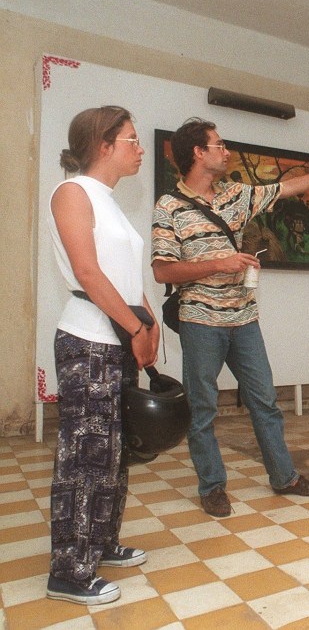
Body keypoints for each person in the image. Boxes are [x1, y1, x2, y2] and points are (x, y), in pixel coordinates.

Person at [151, 117, 309, 517]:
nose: (226, 151)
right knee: (203, 409)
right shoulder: (169, 207)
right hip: (200, 321)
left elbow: (288, 187)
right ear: (198, 153)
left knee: (265, 401)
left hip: (244, 319)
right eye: (218, 145)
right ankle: (212, 486)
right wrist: (220, 263)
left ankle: (285, 477)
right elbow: (163, 270)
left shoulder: (236, 194)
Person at [46, 106, 160, 605]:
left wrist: (148, 326)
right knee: (85, 457)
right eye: (132, 139)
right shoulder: (72, 193)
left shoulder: (110, 201)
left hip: (122, 337)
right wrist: (137, 326)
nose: (140, 148)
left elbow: (128, 277)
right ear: (103, 144)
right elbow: (88, 274)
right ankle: (69, 573)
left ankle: (101, 542)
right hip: (89, 339)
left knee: (115, 454)